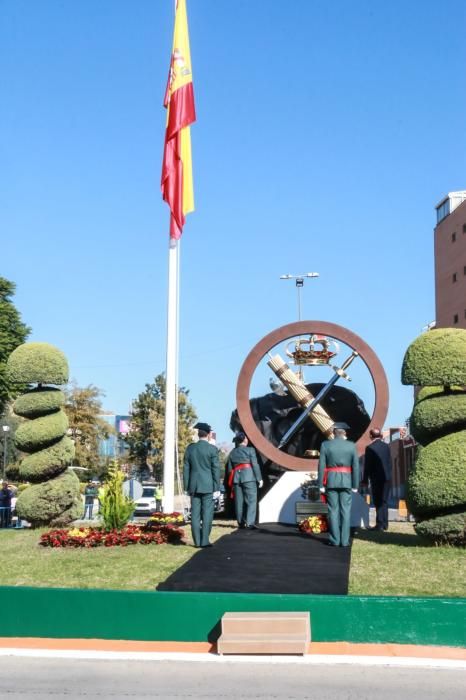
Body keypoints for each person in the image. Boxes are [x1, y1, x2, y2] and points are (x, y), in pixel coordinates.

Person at [318, 424, 359, 547]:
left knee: (333, 511)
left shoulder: (325, 445)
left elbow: (321, 466)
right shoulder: (351, 446)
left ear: (334, 432)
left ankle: (335, 540)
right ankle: (345, 541)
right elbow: (356, 466)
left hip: (331, 481)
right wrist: (355, 484)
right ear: (344, 433)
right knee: (345, 511)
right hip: (346, 482)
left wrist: (320, 483)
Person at [183, 422, 221, 548]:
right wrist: (217, 487)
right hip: (208, 485)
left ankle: (197, 541)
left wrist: (186, 486)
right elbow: (215, 469)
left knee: (195, 514)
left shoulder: (190, 448)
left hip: (193, 485)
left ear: (198, 434)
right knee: (207, 513)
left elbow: (186, 469)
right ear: (209, 435)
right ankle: (204, 540)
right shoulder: (212, 449)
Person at [225, 432, 263, 529]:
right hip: (249, 478)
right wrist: (259, 478)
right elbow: (255, 465)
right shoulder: (250, 450)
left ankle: (241, 522)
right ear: (245, 440)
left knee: (239, 502)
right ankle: (250, 523)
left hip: (236, 479)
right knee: (251, 500)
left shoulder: (232, 452)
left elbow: (229, 469)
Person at [362, 427, 392, 531]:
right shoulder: (387, 446)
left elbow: (367, 466)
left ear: (371, 436)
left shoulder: (370, 448)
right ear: (380, 435)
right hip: (387, 477)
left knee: (378, 501)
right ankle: (385, 524)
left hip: (376, 478)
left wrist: (365, 480)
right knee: (385, 501)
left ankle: (379, 524)